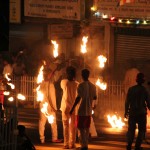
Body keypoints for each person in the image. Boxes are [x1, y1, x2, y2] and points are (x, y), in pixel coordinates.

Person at [70, 69, 97, 150]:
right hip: (89, 110)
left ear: (82, 75)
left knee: (81, 128)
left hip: (82, 110)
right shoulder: (93, 86)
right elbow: (95, 97)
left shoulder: (81, 85)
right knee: (87, 128)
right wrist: (92, 103)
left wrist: (72, 108)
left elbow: (78, 98)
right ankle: (85, 145)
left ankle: (83, 146)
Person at [124, 73, 150, 150]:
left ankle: (129, 145)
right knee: (141, 131)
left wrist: (126, 111)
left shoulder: (131, 89)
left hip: (132, 113)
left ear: (136, 80)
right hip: (141, 113)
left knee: (131, 130)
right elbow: (148, 103)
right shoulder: (145, 90)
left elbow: (127, 102)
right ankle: (137, 146)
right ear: (143, 81)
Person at [38, 68, 62, 144]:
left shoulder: (40, 84)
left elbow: (38, 97)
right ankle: (54, 138)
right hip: (50, 107)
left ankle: (42, 138)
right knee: (53, 123)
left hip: (42, 105)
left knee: (42, 123)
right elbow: (52, 97)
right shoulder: (51, 85)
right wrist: (54, 108)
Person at [60, 66, 79, 149]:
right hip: (74, 107)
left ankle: (66, 144)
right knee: (73, 127)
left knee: (66, 126)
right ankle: (72, 143)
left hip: (65, 106)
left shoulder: (64, 82)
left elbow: (62, 86)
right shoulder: (77, 84)